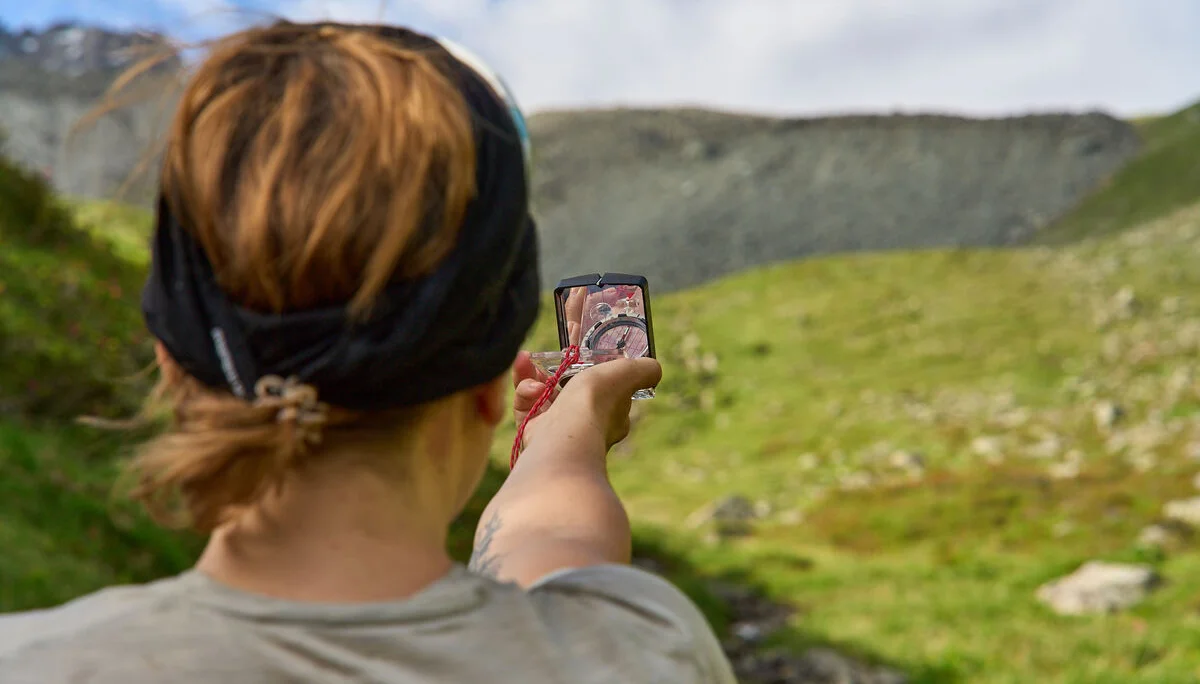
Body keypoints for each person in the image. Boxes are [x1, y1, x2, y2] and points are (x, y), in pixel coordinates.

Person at [0, 20, 737, 684]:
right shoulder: (638, 654)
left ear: (172, 360)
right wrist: (566, 435)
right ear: (487, 386)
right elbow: (555, 552)